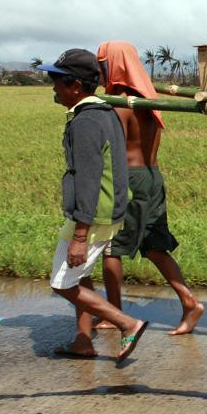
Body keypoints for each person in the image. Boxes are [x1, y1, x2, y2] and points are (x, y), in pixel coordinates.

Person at [37, 49, 148, 364]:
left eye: (56, 82)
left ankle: (128, 323)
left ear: (75, 86)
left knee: (62, 282)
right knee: (80, 274)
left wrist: (81, 234)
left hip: (92, 215)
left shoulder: (86, 122)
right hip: (105, 211)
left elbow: (87, 177)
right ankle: (83, 340)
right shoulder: (105, 112)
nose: (53, 89)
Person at [94, 41, 204, 335]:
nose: (99, 70)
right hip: (153, 176)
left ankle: (113, 314)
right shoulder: (147, 97)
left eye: (102, 63)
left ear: (114, 65)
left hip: (129, 179)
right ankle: (190, 302)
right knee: (155, 247)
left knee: (111, 249)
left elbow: (110, 151)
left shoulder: (119, 103)